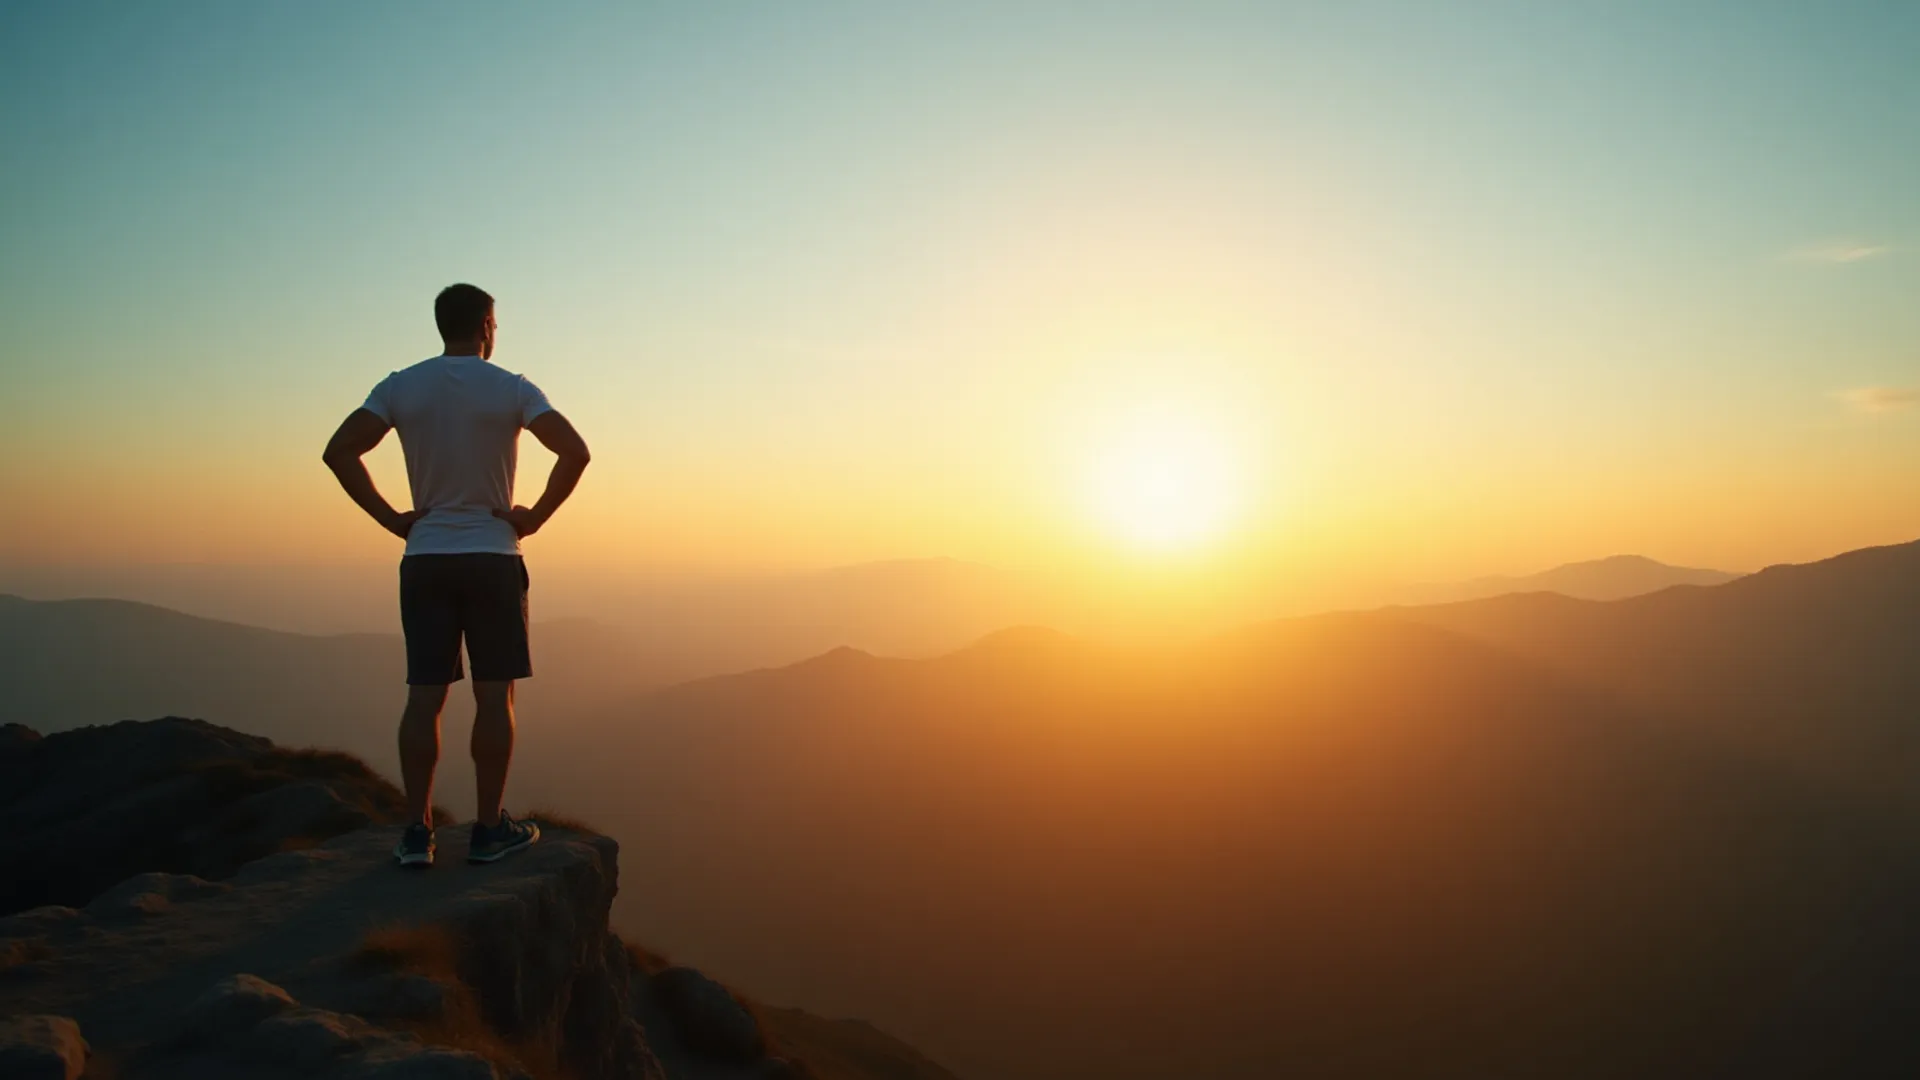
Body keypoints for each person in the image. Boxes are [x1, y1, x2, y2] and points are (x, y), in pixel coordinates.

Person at [322, 284, 590, 868]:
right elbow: (575, 452)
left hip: (426, 559)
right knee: (494, 696)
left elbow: (339, 451)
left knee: (425, 696)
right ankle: (489, 829)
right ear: (487, 326)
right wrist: (534, 518)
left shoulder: (399, 386)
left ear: (441, 324)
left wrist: (393, 519)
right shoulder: (513, 388)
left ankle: (416, 834)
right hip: (493, 557)